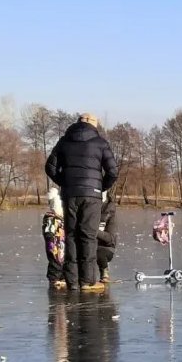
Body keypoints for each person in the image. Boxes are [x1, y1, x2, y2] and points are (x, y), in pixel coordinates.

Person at [45, 113, 118, 291]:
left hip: (70, 194)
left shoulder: (64, 141)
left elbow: (50, 167)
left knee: (70, 235)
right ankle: (87, 281)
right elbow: (113, 171)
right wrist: (100, 187)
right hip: (91, 195)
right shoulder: (100, 143)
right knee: (88, 235)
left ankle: (72, 282)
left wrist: (66, 183)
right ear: (95, 125)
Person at [42, 187, 67, 289]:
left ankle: (61, 279)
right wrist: (51, 246)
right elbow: (48, 233)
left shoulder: (61, 220)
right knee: (55, 264)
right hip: (55, 248)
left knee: (61, 263)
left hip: (62, 248)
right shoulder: (51, 218)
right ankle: (54, 281)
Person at [96, 192, 118, 283]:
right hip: (90, 244)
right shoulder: (88, 211)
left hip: (106, 248)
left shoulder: (110, 214)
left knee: (99, 253)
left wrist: (94, 231)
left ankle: (104, 272)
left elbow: (110, 239)